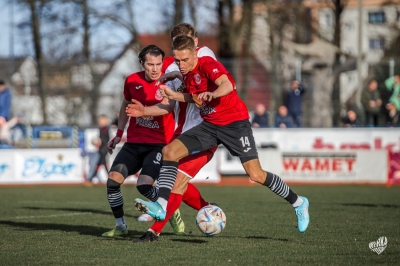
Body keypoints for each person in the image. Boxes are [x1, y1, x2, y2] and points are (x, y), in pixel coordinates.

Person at [134, 35, 310, 235]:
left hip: (235, 124)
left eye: (185, 60)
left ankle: (298, 202)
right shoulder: (188, 74)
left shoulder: (207, 63)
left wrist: (214, 94)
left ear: (195, 53)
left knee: (256, 174)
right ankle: (161, 204)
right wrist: (175, 96)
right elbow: (194, 97)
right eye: (177, 60)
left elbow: (226, 84)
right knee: (169, 151)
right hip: (210, 126)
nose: (181, 65)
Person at [127, 23, 219, 242]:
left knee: (175, 182)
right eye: (178, 44)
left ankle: (154, 230)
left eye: (187, 42)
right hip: (180, 135)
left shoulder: (205, 55)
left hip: (206, 131)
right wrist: (144, 110)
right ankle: (207, 208)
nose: (183, 49)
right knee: (168, 180)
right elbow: (167, 105)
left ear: (195, 42)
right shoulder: (170, 68)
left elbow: (211, 88)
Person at [102, 44, 176, 237]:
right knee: (112, 181)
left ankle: (168, 209)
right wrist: (118, 134)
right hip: (134, 143)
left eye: (158, 64)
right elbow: (126, 103)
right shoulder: (132, 81)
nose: (155, 69)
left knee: (143, 185)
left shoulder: (167, 82)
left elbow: (167, 108)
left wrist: (144, 111)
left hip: (159, 144)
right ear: (142, 63)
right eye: (150, 64)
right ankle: (120, 226)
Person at [87, 114, 110, 182]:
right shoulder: (101, 128)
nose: (99, 121)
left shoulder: (106, 128)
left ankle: (90, 179)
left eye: (101, 120)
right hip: (101, 149)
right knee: (104, 164)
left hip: (104, 149)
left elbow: (107, 139)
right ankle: (110, 178)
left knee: (99, 164)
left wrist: (100, 142)